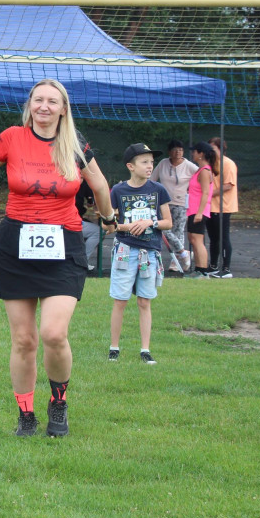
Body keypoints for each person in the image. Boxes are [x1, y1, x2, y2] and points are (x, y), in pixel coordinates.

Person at [0, 79, 115, 438]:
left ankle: (58, 402)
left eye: (52, 101)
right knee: (24, 339)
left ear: (64, 109)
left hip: (63, 245)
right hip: (17, 246)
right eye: (38, 100)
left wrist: (107, 218)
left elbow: (101, 185)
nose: (44, 107)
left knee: (53, 333)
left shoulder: (75, 147)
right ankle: (26, 414)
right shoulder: (12, 137)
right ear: (30, 105)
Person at [107, 143, 172, 365]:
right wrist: (130, 226)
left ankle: (145, 350)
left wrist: (149, 222)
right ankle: (113, 347)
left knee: (145, 301)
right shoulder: (118, 191)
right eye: (144, 162)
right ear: (130, 166)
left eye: (151, 162)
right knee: (120, 300)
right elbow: (111, 224)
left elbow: (168, 222)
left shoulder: (158, 190)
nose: (149, 166)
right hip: (125, 250)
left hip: (149, 253)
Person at [153, 139, 197, 275]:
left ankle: (176, 261)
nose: (178, 152)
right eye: (175, 149)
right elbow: (152, 179)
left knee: (178, 231)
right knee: (163, 229)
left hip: (181, 203)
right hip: (164, 203)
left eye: (180, 149)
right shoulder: (163, 164)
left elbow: (202, 177)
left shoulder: (189, 166)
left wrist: (194, 192)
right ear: (169, 152)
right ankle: (183, 253)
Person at [206, 137, 237, 279]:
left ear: (220, 149)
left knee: (223, 237)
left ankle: (226, 268)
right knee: (213, 238)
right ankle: (213, 265)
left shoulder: (228, 164)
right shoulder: (211, 164)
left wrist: (208, 195)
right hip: (210, 207)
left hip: (223, 207)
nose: (211, 151)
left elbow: (228, 185)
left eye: (213, 148)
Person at [185, 142, 216, 278]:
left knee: (198, 240)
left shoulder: (205, 171)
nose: (193, 154)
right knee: (192, 238)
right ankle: (198, 269)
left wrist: (199, 212)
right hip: (192, 209)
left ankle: (203, 271)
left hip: (199, 211)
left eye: (195, 151)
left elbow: (205, 193)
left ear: (201, 154)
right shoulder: (200, 169)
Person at [75, 180, 101, 271]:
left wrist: (91, 200)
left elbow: (91, 202)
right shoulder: (67, 184)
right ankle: (82, 262)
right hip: (67, 222)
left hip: (76, 220)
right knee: (98, 232)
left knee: (97, 230)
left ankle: (80, 260)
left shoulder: (85, 184)